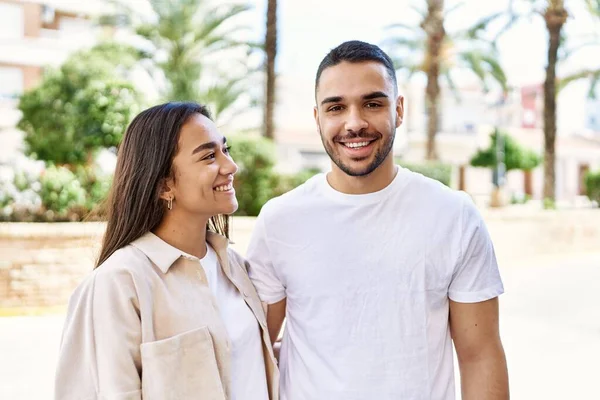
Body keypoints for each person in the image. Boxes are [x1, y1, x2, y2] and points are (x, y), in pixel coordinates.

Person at [246, 41, 509, 400]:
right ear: (318, 118)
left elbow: (479, 356)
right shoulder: (280, 221)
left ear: (399, 110)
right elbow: (254, 353)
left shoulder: (454, 216)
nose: (354, 123)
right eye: (336, 107)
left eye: (372, 103)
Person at [55, 102, 279, 400]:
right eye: (209, 156)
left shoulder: (236, 268)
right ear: (164, 186)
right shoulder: (119, 282)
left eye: (226, 150)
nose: (230, 166)